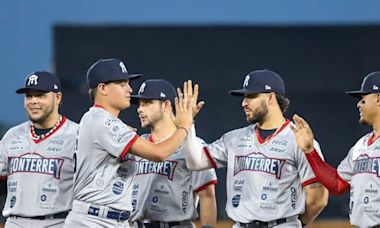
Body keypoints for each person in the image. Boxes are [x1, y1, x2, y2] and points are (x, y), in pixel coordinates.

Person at [182, 69, 329, 227]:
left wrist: (292, 223)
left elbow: (318, 199)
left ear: (271, 97)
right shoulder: (234, 139)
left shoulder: (299, 140)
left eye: (251, 96)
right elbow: (194, 162)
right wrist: (187, 125)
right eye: (244, 97)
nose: (244, 103)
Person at [64, 58, 194, 228]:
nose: (129, 89)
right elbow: (158, 153)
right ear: (103, 88)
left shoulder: (104, 122)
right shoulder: (101, 120)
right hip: (93, 220)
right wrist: (184, 126)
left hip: (114, 219)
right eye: (122, 84)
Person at [291, 71, 380, 227]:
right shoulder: (361, 145)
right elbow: (337, 184)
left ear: (379, 98)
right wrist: (309, 151)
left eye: (363, 99)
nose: (358, 104)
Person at [130, 79, 217, 228]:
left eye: (147, 103)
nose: (139, 109)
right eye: (139, 104)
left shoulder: (192, 146)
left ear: (166, 105)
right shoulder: (138, 145)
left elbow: (207, 196)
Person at [0, 71, 78, 228]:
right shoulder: (12, 136)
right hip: (14, 222)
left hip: (57, 222)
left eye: (40, 95)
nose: (33, 101)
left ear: (58, 98)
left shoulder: (77, 135)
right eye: (29, 96)